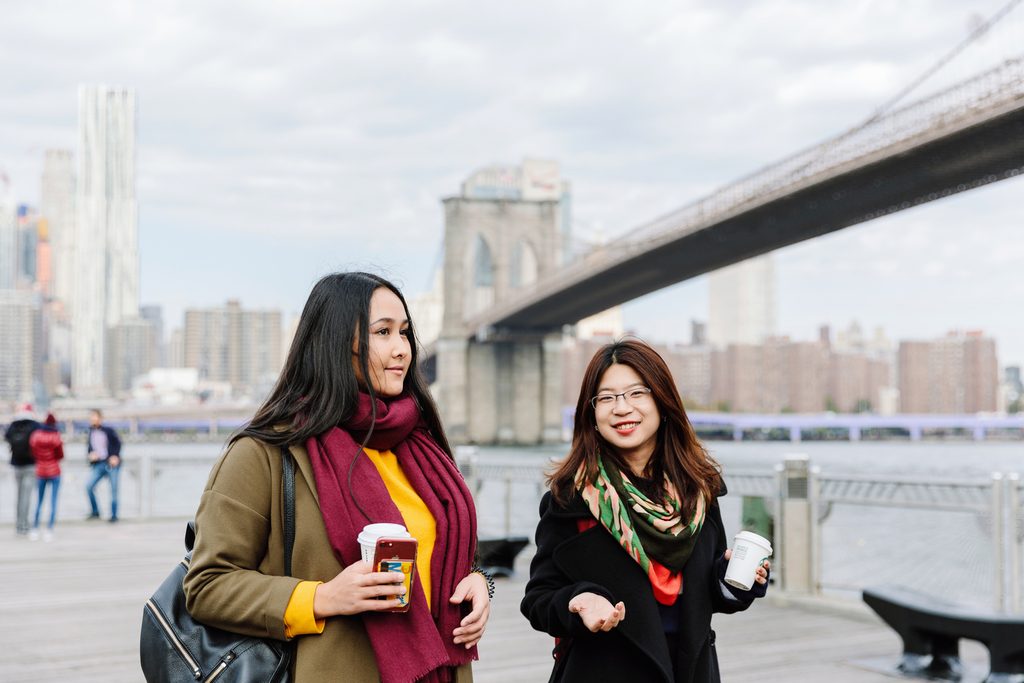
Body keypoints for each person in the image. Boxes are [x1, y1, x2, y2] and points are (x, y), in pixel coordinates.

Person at [183, 272, 491, 682]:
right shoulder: (265, 454)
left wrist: (478, 582)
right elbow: (207, 585)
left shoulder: (421, 445)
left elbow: (442, 552)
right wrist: (322, 597)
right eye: (383, 332)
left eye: (405, 333)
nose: (402, 349)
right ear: (334, 342)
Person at [521, 339, 770, 683]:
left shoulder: (697, 491)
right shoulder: (571, 498)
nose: (622, 409)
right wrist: (579, 601)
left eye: (637, 393)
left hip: (690, 670)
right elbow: (538, 600)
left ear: (662, 402)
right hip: (602, 672)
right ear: (591, 414)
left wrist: (735, 581)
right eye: (606, 398)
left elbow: (709, 596)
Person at [5, 403, 39, 537]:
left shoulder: (14, 424)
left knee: (19, 496)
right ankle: (25, 525)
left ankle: (19, 525)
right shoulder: (34, 425)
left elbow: (7, 437)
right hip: (31, 464)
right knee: (26, 496)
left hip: (16, 465)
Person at [29, 412, 64, 541]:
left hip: (40, 471)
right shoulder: (56, 436)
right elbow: (60, 455)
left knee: (39, 500)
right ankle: (49, 530)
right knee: (53, 502)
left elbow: (33, 452)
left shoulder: (36, 435)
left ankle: (35, 528)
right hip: (54, 471)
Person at [84, 409, 123, 522]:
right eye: (91, 417)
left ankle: (114, 515)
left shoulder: (109, 430)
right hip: (98, 464)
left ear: (100, 418)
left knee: (114, 490)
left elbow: (118, 443)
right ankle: (95, 511)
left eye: (94, 417)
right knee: (88, 487)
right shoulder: (90, 432)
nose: (92, 419)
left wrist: (115, 456)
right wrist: (90, 455)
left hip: (111, 464)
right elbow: (90, 448)